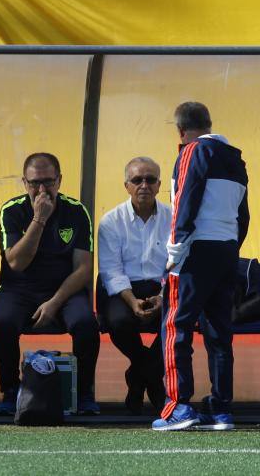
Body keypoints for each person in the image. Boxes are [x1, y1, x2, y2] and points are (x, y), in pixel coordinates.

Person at [153, 101, 249, 432]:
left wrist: (175, 250)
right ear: (209, 122)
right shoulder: (235, 157)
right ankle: (220, 409)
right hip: (226, 250)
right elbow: (243, 215)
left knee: (174, 327)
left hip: (194, 252)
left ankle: (179, 406)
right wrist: (231, 247)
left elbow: (185, 199)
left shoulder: (193, 151)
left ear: (180, 131)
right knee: (219, 333)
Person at [0, 152, 100, 416]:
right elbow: (16, 263)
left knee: (86, 324)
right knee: (3, 323)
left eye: (48, 182)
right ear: (24, 182)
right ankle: (10, 391)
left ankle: (84, 393)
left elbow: (84, 269)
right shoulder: (12, 210)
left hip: (64, 289)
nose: (42, 190)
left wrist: (54, 302)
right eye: (34, 183)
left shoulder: (76, 211)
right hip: (19, 288)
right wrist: (39, 220)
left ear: (60, 180)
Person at [98, 156, 169, 414]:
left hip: (163, 288)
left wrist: (163, 296)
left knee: (176, 320)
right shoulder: (110, 221)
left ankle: (137, 377)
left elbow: (178, 265)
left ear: (159, 185)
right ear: (127, 185)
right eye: (137, 180)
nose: (144, 185)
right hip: (124, 290)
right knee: (118, 322)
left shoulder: (174, 219)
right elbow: (111, 271)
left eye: (150, 179)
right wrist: (131, 301)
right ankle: (152, 378)